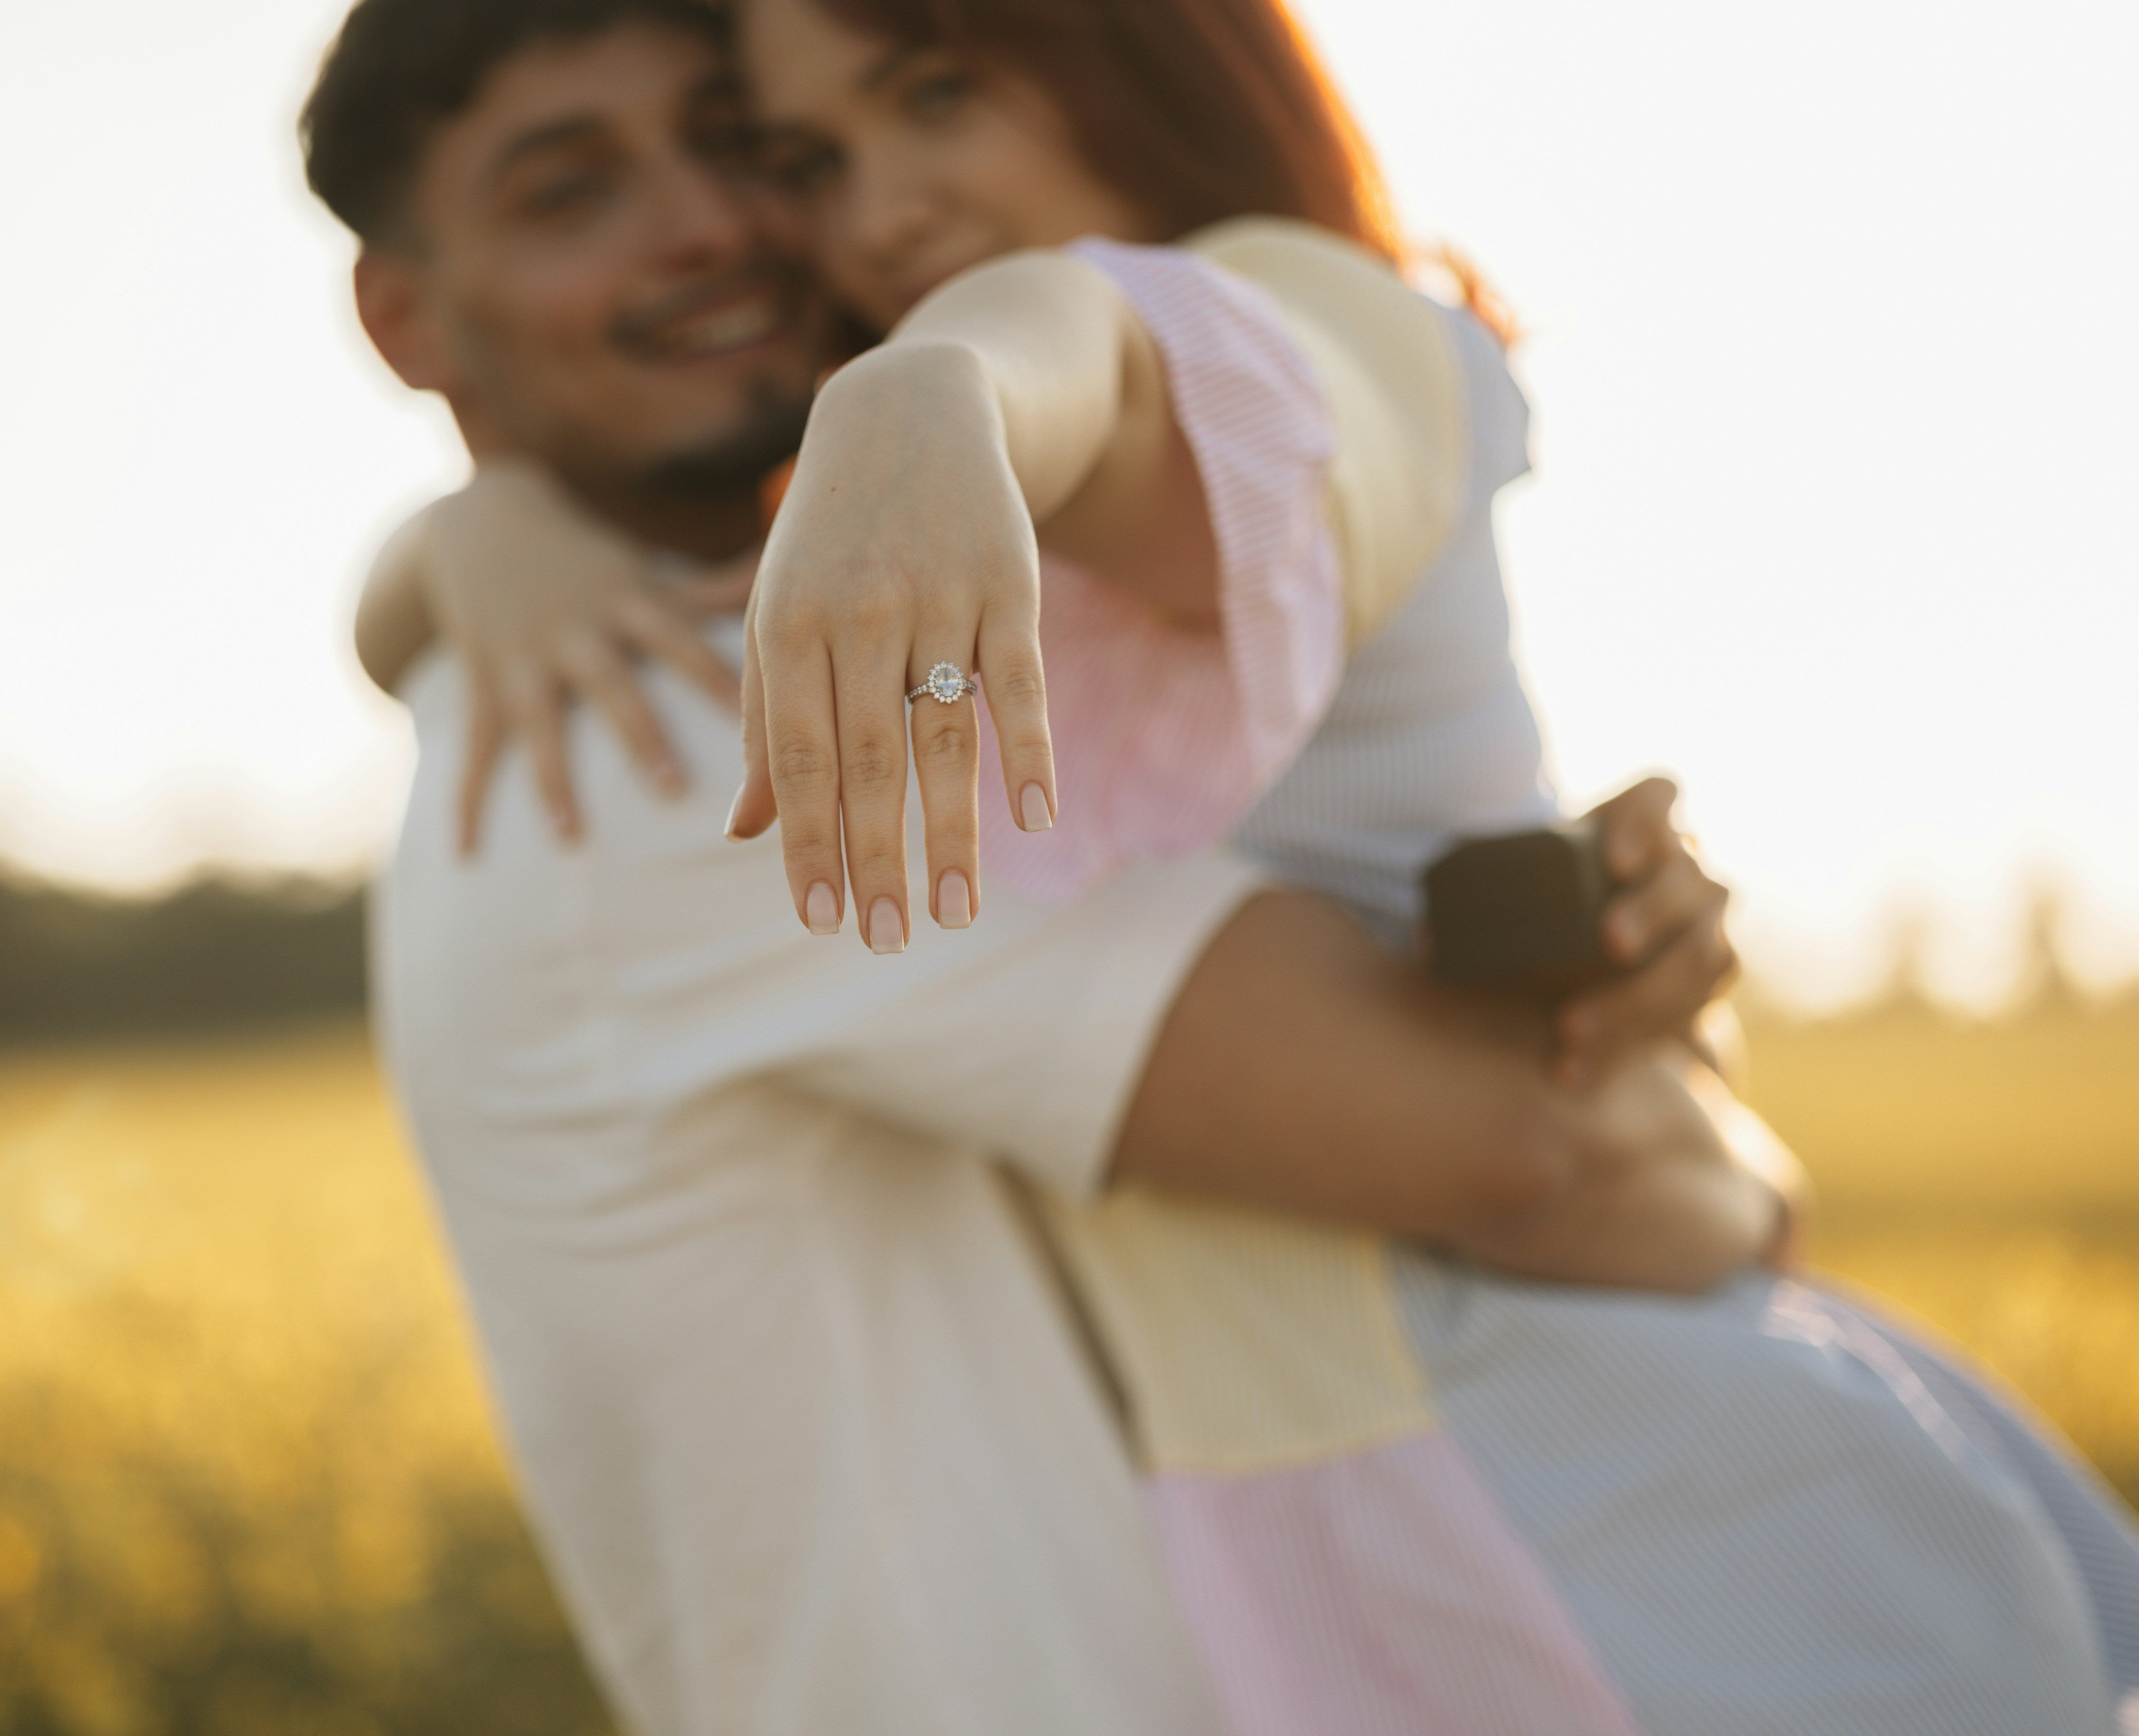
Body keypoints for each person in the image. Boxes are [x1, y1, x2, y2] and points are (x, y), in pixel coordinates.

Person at [334, 0, 2139, 1732]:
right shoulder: (666, 733)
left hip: (1652, 1532)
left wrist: (919, 389)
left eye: (748, 148)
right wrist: (456, 545)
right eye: (573, 190)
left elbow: (1099, 339)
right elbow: (1523, 1140)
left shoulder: (1175, 410)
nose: (749, 224)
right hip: (1532, 1529)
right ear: (408, 318)